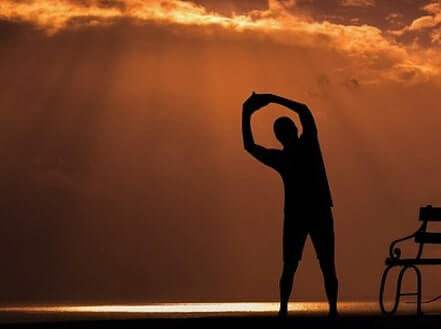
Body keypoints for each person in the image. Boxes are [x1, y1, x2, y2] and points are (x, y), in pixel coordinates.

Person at [242, 92, 339, 317]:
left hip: (303, 213)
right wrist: (272, 99)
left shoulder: (284, 157)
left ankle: (285, 310)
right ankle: (329, 310)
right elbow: (303, 109)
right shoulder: (306, 144)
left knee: (294, 265)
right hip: (315, 211)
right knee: (323, 264)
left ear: (279, 137)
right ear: (293, 131)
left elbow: (249, 145)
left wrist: (246, 113)